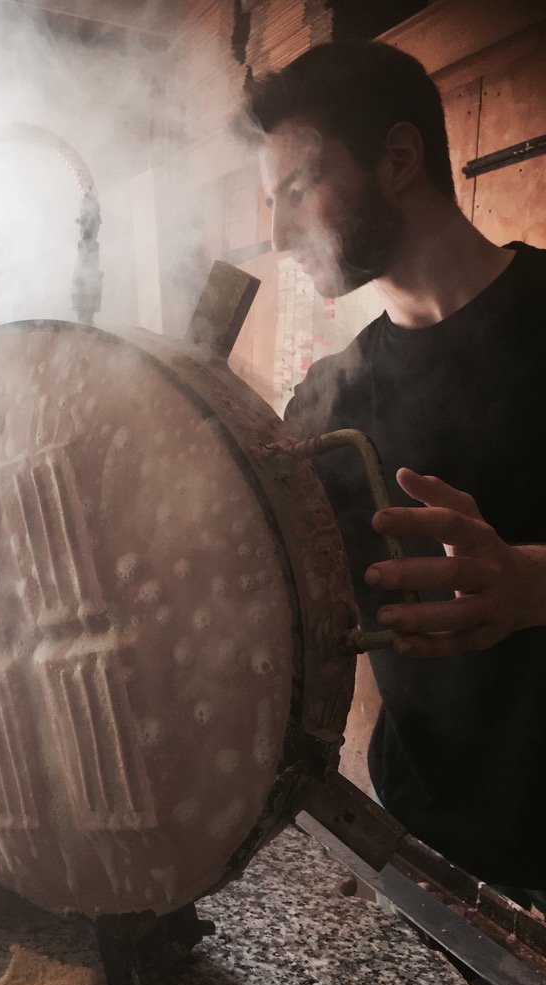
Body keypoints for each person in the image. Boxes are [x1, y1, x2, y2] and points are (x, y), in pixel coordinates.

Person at [242, 40, 546, 910]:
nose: (278, 234)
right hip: (423, 855)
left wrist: (533, 583)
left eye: (297, 190)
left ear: (400, 159)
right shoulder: (332, 402)